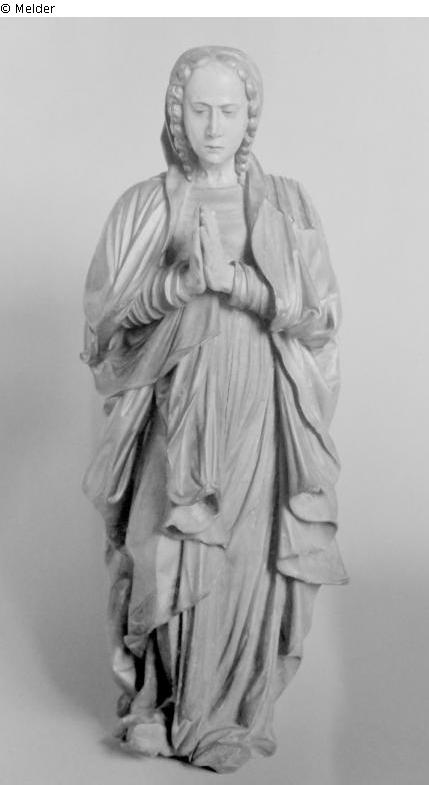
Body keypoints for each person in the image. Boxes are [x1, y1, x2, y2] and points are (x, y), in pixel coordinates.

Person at [82, 45, 348, 774]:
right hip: (175, 396)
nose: (212, 126)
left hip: (258, 400)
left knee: (241, 559)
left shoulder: (286, 204)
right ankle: (161, 705)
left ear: (249, 117)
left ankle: (227, 715)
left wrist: (238, 284)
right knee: (165, 545)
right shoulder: (144, 206)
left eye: (228, 110)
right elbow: (105, 323)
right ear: (177, 113)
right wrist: (176, 287)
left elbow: (319, 317)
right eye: (198, 109)